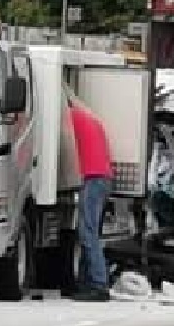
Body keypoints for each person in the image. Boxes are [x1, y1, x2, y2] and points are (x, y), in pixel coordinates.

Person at [69, 88, 115, 302]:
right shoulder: (88, 117)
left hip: (93, 178)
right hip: (102, 178)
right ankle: (87, 282)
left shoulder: (69, 119)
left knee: (88, 233)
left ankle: (98, 285)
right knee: (91, 232)